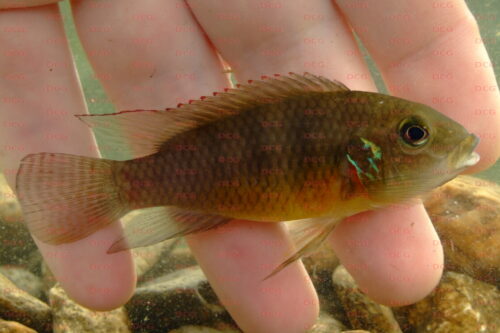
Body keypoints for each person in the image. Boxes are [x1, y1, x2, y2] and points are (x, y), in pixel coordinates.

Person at [0, 0, 498, 332]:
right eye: (415, 135)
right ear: (361, 157)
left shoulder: (356, 173)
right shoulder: (353, 174)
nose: (426, 142)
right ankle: (112, 187)